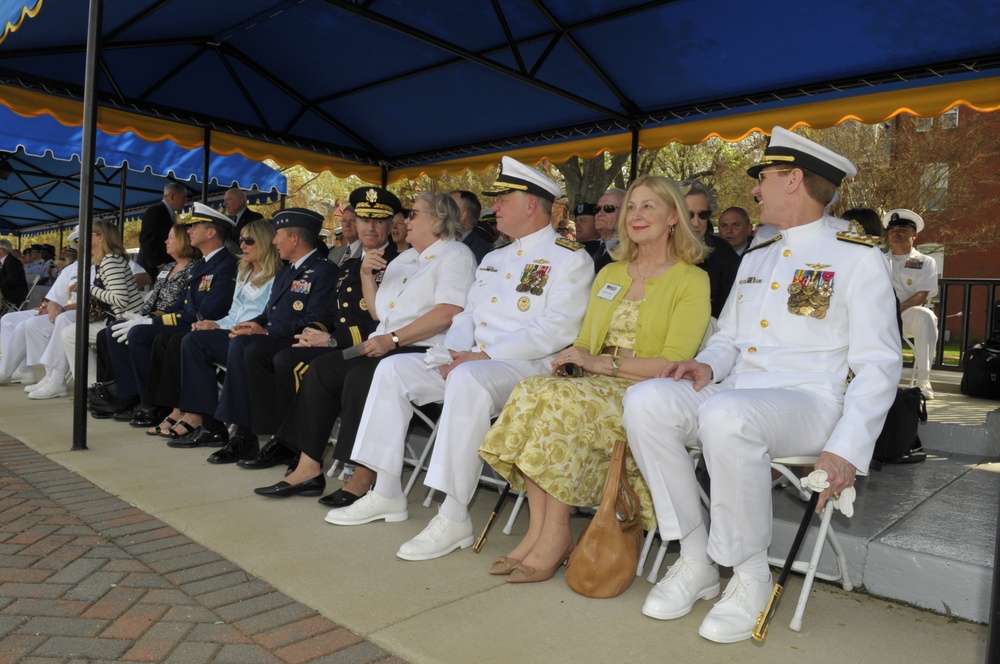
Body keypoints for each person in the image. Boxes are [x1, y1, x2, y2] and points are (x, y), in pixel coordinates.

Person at [621, 127, 901, 644]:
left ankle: (750, 574)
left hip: (811, 402)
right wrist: (705, 366)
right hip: (738, 394)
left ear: (794, 180)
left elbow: (879, 365)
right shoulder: (757, 256)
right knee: (646, 400)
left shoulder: (858, 257)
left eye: (764, 179)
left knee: (727, 416)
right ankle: (697, 557)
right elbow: (728, 336)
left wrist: (845, 449)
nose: (754, 191)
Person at [324, 156, 594, 565]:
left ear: (531, 204)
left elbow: (556, 330)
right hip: (472, 360)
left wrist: (480, 356)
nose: (495, 208)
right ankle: (386, 492)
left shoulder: (570, 257)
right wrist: (453, 352)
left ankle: (453, 516)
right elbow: (466, 315)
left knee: (467, 379)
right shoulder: (494, 258)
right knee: (393, 368)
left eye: (504, 199)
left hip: (530, 367)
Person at [479, 175, 711, 583]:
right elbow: (587, 341)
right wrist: (571, 360)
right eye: (632, 207)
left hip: (645, 392)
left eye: (649, 206)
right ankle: (538, 532)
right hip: (595, 382)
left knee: (561, 404)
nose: (636, 216)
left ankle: (553, 536)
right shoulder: (611, 273)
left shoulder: (691, 279)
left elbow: (674, 361)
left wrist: (603, 366)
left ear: (674, 216)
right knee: (534, 389)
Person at [253, 191, 477, 498]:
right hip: (386, 344)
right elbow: (378, 313)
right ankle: (308, 468)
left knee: (360, 377)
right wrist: (365, 274)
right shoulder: (406, 259)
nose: (404, 220)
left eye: (412, 214)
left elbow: (447, 313)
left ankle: (362, 475)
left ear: (437, 220)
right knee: (322, 369)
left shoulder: (456, 255)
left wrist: (394, 339)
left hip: (424, 349)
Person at [236, 187, 402, 468]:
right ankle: (273, 434)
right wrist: (311, 333)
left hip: (365, 348)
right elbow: (331, 310)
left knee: (289, 360)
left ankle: (295, 445)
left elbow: (382, 322)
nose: (370, 228)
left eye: (378, 221)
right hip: (335, 341)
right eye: (364, 220)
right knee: (262, 352)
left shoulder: (399, 264)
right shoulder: (351, 265)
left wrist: (333, 341)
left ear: (390, 225)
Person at [171, 207, 338, 449]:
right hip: (268, 336)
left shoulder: (324, 270)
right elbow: (268, 313)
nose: (274, 240)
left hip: (292, 340)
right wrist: (256, 324)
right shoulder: (287, 271)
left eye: (278, 234)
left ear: (294, 238)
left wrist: (266, 331)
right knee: (195, 340)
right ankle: (210, 424)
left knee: (243, 347)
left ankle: (245, 434)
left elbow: (317, 319)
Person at [105, 202, 239, 426]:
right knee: (118, 330)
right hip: (186, 321)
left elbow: (208, 311)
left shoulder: (226, 265)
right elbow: (180, 303)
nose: (189, 231)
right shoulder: (201, 266)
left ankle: (154, 403)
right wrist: (151, 317)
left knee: (140, 334)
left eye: (195, 226)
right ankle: (135, 397)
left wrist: (152, 321)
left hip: (204, 325)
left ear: (211, 232)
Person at [143, 219, 278, 439]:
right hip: (232, 331)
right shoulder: (245, 272)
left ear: (264, 242)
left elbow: (269, 317)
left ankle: (205, 419)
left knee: (192, 341)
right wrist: (215, 324)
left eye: (249, 241)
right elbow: (234, 313)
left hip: (253, 337)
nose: (242, 245)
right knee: (194, 336)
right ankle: (192, 413)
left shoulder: (276, 276)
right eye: (241, 240)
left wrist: (229, 327)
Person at [30, 221, 144, 400]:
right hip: (117, 318)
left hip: (125, 321)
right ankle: (90, 388)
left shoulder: (110, 260)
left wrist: (87, 287)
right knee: (69, 333)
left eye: (88, 233)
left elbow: (120, 299)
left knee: (70, 333)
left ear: (100, 238)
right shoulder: (106, 259)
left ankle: (89, 388)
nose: (81, 238)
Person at [884, 208, 938, 399]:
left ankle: (924, 380)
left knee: (926, 316)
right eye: (892, 229)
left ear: (914, 234)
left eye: (902, 229)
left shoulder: (925, 261)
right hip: (878, 317)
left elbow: (922, 294)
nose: (895, 233)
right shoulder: (878, 259)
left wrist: (895, 311)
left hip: (905, 315)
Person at [680, 180, 740, 319]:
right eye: (689, 215)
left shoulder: (723, 253)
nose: (696, 222)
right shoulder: (654, 249)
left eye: (703, 214)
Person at [137, 182, 187, 275]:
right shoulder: (156, 210)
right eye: (182, 198)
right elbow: (146, 239)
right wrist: (159, 264)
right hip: (154, 268)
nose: (184, 201)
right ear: (172, 196)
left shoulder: (169, 213)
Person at [450, 190, 493, 264]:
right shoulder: (436, 242)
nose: (440, 211)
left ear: (462, 215)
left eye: (447, 206)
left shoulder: (484, 253)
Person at [592, 189, 624, 273]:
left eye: (608, 208)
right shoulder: (591, 248)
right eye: (597, 209)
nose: (600, 213)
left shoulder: (631, 251)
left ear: (626, 213)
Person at [0, 238, 29, 308]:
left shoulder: (11, 262)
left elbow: (12, 280)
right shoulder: (5, 261)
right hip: (7, 290)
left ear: (2, 250)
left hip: (15, 292)